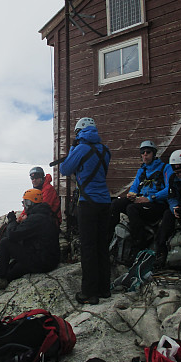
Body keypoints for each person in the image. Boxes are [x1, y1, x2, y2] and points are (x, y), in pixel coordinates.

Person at [60, 117, 111, 305]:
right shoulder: (105, 150)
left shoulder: (81, 149)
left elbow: (65, 168)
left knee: (88, 247)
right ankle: (104, 288)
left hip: (88, 203)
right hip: (105, 202)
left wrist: (73, 147)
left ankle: (89, 292)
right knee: (101, 245)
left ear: (79, 132)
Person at [0, 188, 60, 290]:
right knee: (11, 271)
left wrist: (12, 221)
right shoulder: (45, 215)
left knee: (5, 243)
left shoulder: (36, 219)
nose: (23, 205)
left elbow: (12, 235)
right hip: (48, 259)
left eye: (24, 202)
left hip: (41, 261)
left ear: (30, 203)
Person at [109, 140, 172, 252]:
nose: (145, 155)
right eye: (142, 152)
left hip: (157, 204)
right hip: (142, 202)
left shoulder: (165, 168)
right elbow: (135, 187)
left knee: (131, 208)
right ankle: (109, 237)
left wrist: (150, 198)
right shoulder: (142, 170)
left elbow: (170, 189)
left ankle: (140, 242)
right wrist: (131, 195)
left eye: (148, 152)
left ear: (154, 153)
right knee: (116, 204)